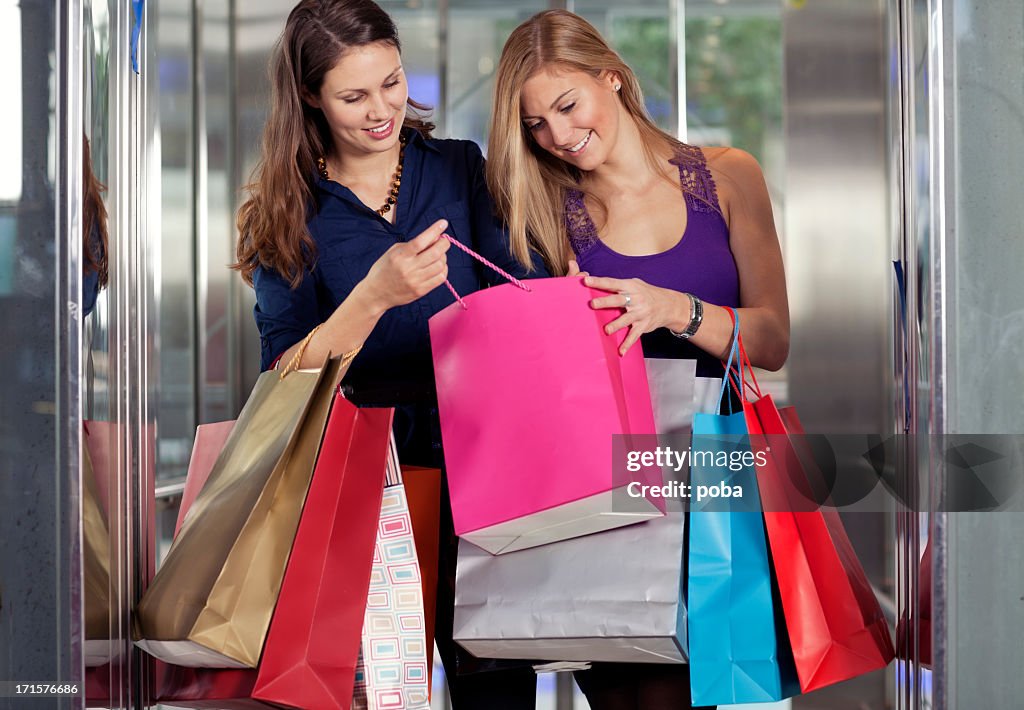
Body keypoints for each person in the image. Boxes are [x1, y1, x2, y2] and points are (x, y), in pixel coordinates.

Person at [234, 1, 545, 707]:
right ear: (310, 95)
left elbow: (518, 298)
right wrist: (374, 296)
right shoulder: (287, 212)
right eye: (353, 96)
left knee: (495, 683)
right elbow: (284, 378)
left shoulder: (460, 169)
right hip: (364, 486)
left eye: (393, 84)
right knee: (374, 687)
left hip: (484, 473)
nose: (381, 111)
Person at [486, 9, 790, 709]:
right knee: (643, 692)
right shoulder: (547, 213)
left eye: (567, 105)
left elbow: (772, 341)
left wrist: (672, 309)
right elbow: (536, 380)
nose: (558, 135)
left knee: (714, 687)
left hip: (718, 464)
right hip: (616, 477)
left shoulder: (729, 177)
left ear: (612, 77)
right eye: (536, 124)